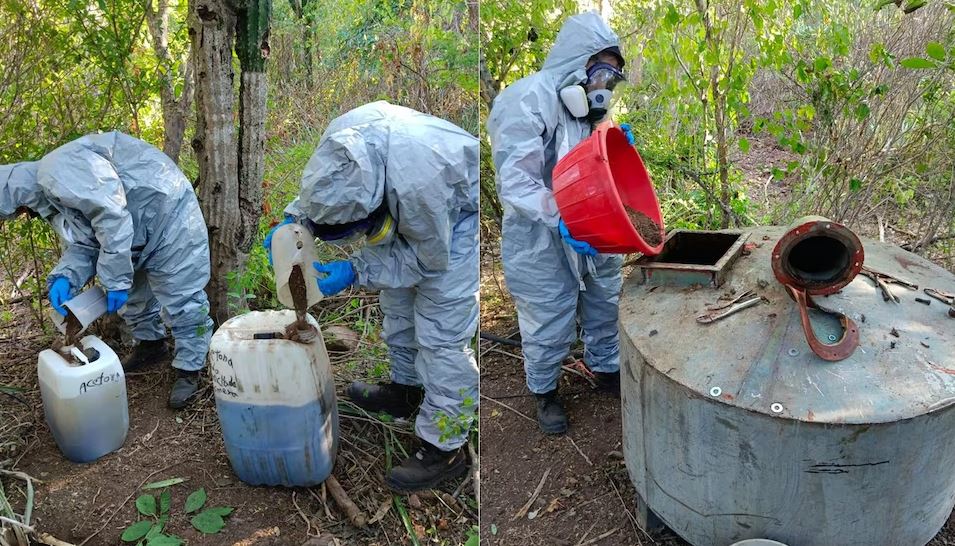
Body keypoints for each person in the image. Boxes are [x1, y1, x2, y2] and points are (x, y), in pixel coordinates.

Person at [264, 101, 479, 493]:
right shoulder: (342, 139)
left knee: (442, 336)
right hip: (405, 201)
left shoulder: (420, 186)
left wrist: (357, 271)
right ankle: (407, 390)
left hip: (454, 223)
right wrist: (294, 219)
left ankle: (445, 445)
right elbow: (325, 184)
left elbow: (428, 261)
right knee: (397, 308)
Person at [487, 12, 628, 435]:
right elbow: (516, 182)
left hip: (592, 228)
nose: (604, 87)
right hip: (540, 239)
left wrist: (615, 148)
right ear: (577, 61)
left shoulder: (586, 111)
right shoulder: (527, 99)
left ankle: (606, 369)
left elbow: (595, 170)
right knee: (548, 317)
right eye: (601, 72)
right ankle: (544, 390)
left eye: (613, 80)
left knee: (605, 301)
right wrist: (561, 216)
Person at [0, 132, 214, 409]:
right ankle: (151, 346)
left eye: (18, 210)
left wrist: (115, 280)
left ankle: (190, 369)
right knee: (136, 298)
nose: (23, 215)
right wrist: (66, 275)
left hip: (168, 216)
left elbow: (111, 217)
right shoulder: (53, 201)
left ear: (16, 196)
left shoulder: (58, 169)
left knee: (181, 296)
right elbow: (88, 242)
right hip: (134, 233)